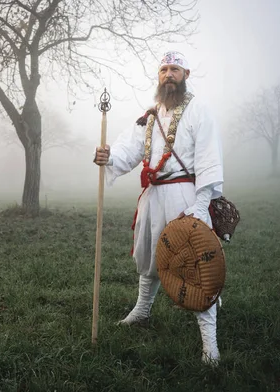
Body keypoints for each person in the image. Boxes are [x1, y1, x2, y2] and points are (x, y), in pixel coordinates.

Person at [93, 51, 224, 365]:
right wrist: (108, 155)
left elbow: (208, 157)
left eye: (174, 69)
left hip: (186, 198)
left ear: (185, 74)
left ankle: (210, 345)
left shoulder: (199, 110)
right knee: (149, 254)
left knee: (195, 268)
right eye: (164, 69)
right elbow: (130, 147)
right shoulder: (149, 116)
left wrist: (201, 205)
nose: (168, 75)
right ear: (158, 75)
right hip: (153, 196)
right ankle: (142, 311)